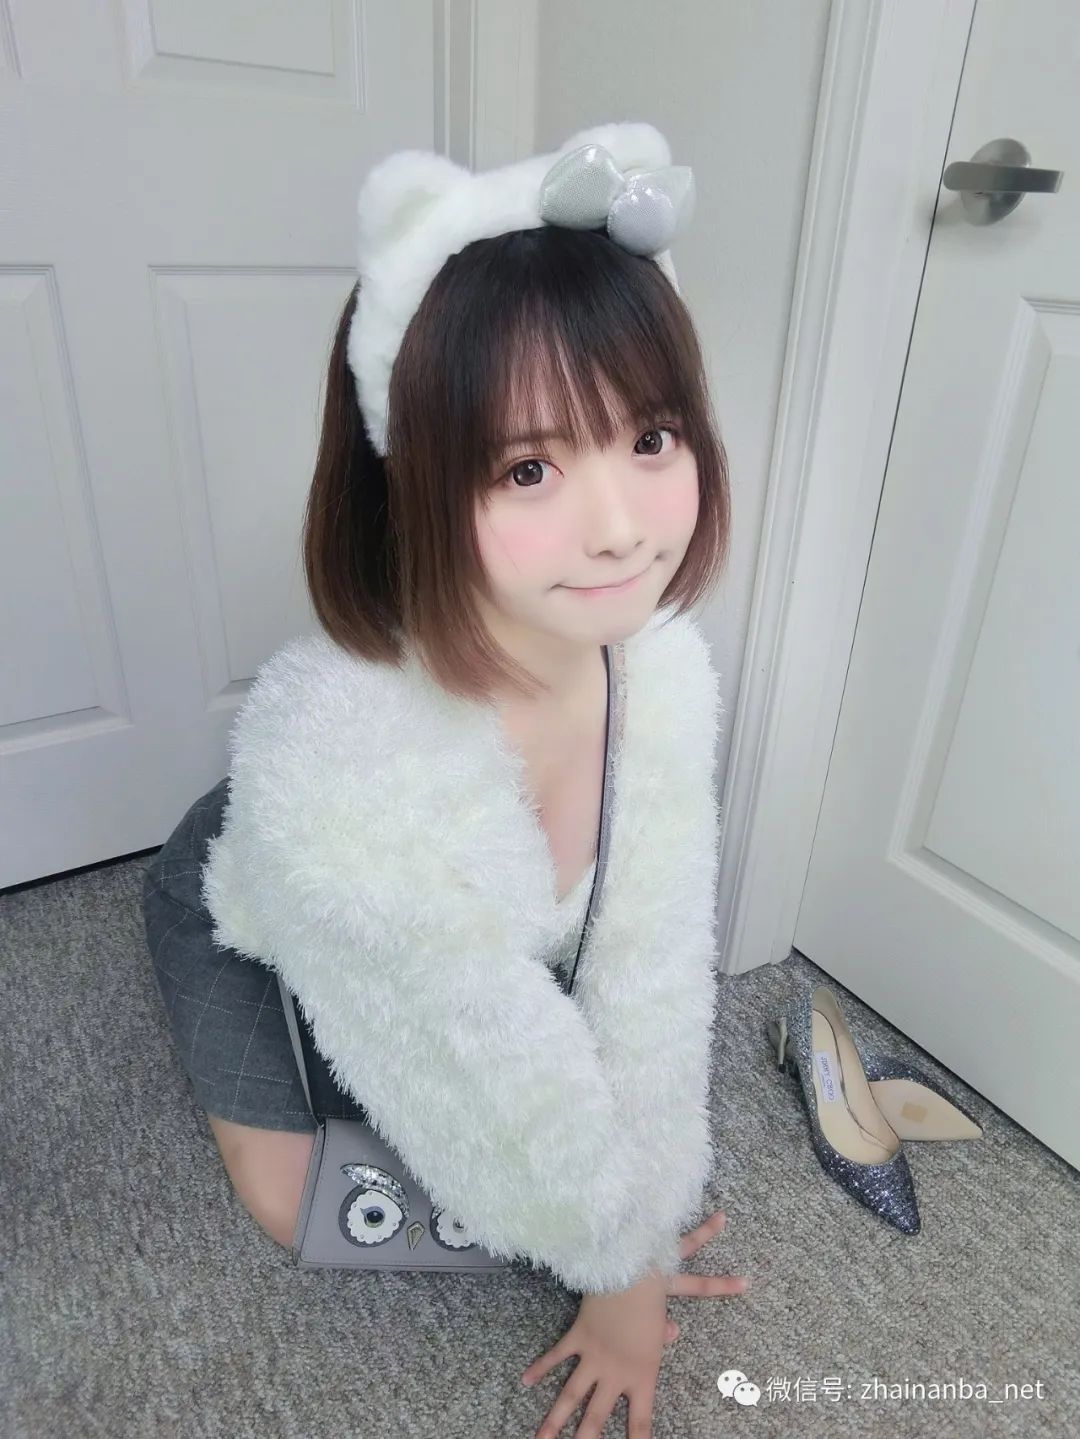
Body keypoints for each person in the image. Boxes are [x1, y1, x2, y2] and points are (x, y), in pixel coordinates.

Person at [143, 119, 748, 1438]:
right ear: (409, 485)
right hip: (249, 888)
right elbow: (489, 1098)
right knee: (309, 1203)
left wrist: (642, 1215)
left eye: (651, 438)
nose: (619, 527)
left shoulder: (661, 671)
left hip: (446, 871)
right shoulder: (345, 775)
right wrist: (618, 1262)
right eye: (531, 467)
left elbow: (653, 955)